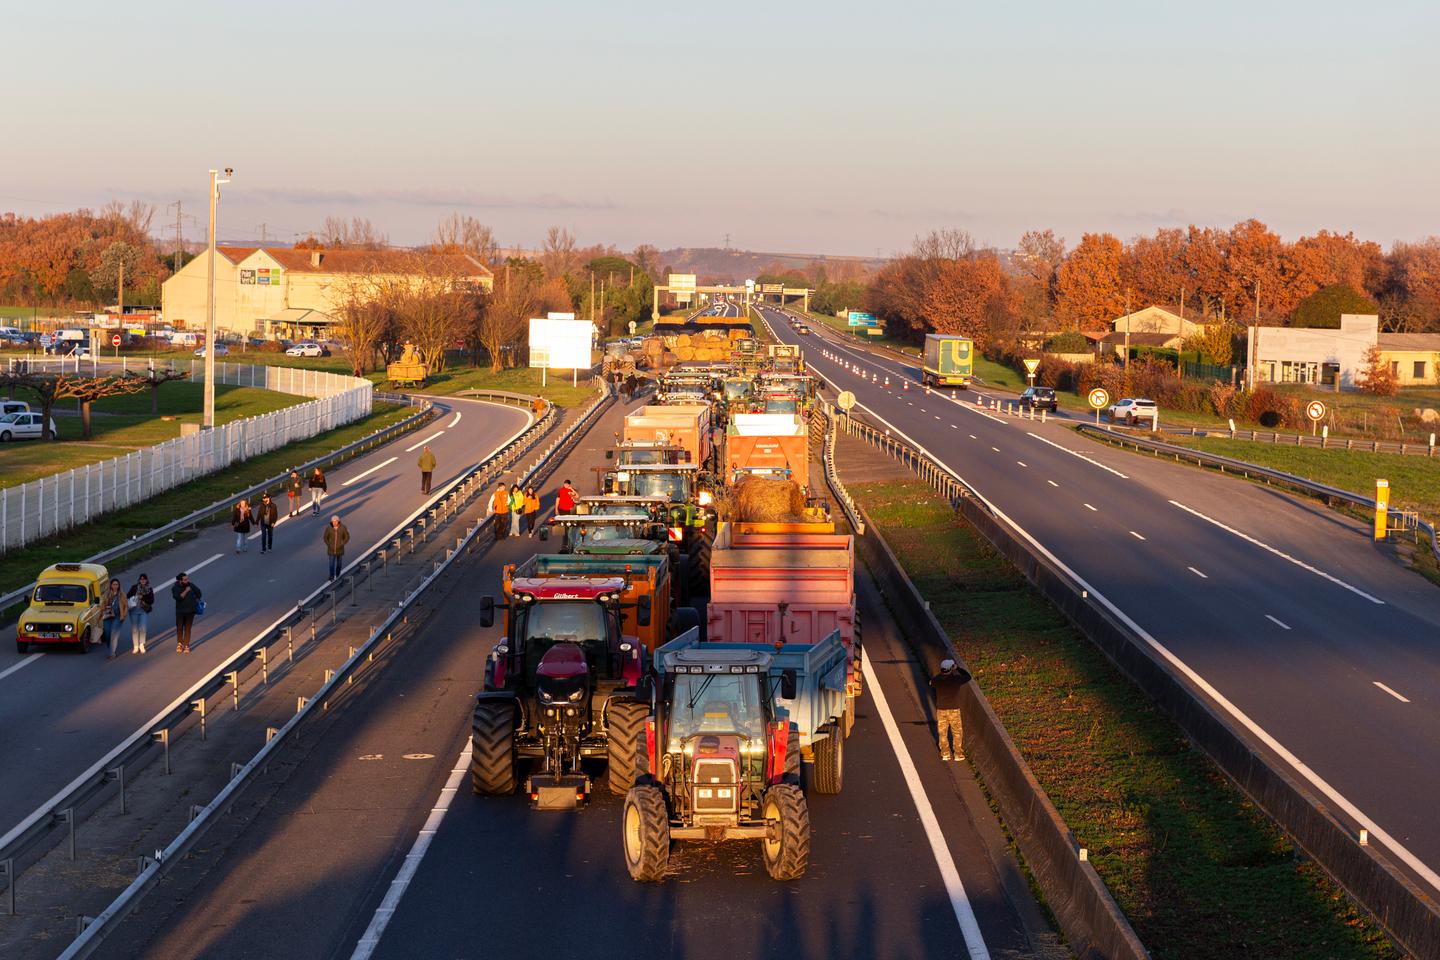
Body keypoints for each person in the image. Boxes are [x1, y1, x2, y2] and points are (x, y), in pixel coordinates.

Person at [930, 658, 972, 761]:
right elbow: (968, 676)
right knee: (957, 732)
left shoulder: (937, 680)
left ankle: (945, 753)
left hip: (941, 709)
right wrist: (958, 668)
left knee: (942, 732)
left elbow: (931, 682)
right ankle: (958, 754)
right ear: (951, 668)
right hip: (954, 709)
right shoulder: (956, 679)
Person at [172, 572, 201, 654]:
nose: (187, 581)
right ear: (180, 581)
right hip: (180, 611)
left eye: (187, 579)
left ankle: (187, 645)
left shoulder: (191, 585)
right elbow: (179, 597)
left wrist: (196, 600)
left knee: (188, 628)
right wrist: (186, 590)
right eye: (185, 580)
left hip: (190, 611)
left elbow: (199, 592)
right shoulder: (175, 588)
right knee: (180, 627)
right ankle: (180, 643)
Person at [126, 574, 155, 655]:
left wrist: (143, 598)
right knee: (135, 629)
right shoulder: (134, 587)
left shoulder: (149, 589)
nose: (142, 581)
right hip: (134, 611)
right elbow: (127, 596)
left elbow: (151, 601)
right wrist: (134, 597)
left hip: (143, 611)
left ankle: (141, 644)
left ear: (146, 580)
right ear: (139, 580)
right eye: (141, 579)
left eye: (144, 579)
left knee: (143, 628)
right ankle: (135, 646)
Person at [101, 577, 128, 660]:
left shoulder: (122, 595)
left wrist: (123, 616)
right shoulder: (106, 594)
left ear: (119, 585)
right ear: (111, 585)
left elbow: (126, 606)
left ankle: (112, 653)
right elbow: (102, 605)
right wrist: (103, 608)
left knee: (114, 634)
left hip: (117, 617)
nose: (115, 586)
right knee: (107, 633)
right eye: (113, 584)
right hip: (107, 616)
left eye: (116, 584)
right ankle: (110, 646)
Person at [323, 515, 350, 580]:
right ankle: (331, 576)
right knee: (331, 564)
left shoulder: (343, 528)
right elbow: (325, 537)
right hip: (331, 550)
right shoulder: (328, 528)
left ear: (338, 521)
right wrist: (328, 544)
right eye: (333, 521)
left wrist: (342, 543)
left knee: (339, 564)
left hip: (340, 549)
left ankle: (338, 574)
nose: (334, 523)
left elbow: (347, 537)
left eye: (335, 521)